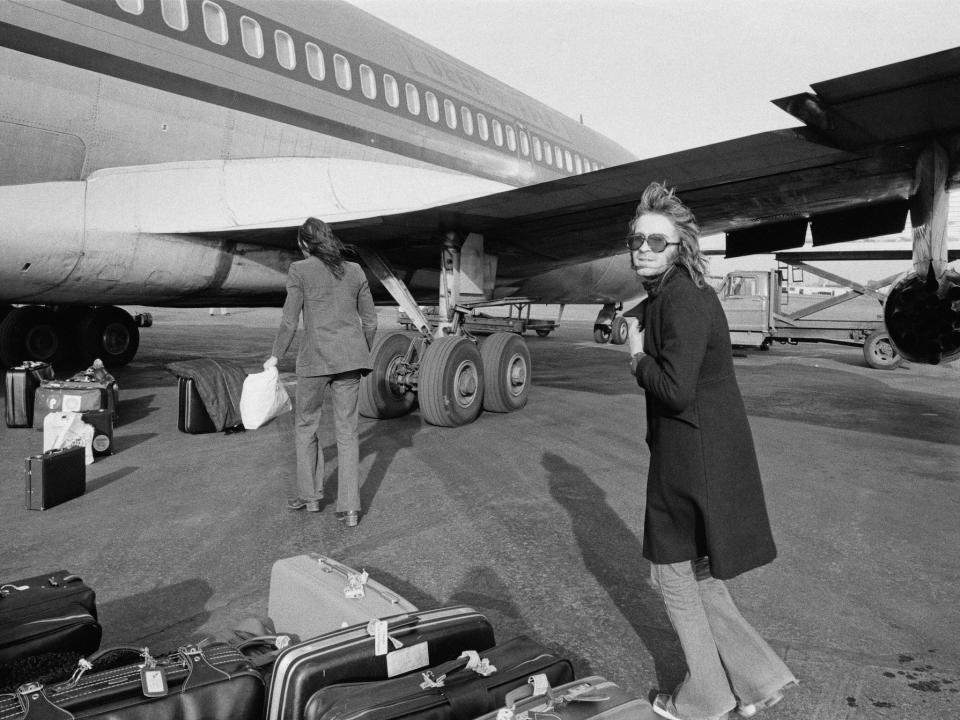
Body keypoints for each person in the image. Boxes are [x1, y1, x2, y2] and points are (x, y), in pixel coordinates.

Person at [623, 183, 797, 720]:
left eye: (657, 240)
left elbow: (674, 388)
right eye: (637, 239)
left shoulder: (681, 299)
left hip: (690, 456)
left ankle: (707, 697)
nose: (645, 248)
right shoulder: (676, 295)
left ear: (681, 247)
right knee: (698, 574)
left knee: (672, 575)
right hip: (700, 451)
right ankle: (758, 679)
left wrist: (635, 357)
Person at [264, 217, 377, 527]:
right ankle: (350, 509)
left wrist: (275, 355)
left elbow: (289, 321)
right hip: (350, 361)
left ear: (304, 244)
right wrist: (360, 351)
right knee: (347, 432)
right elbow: (371, 322)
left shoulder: (300, 270)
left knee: (305, 426)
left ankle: (311, 497)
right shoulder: (354, 271)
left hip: (314, 361)